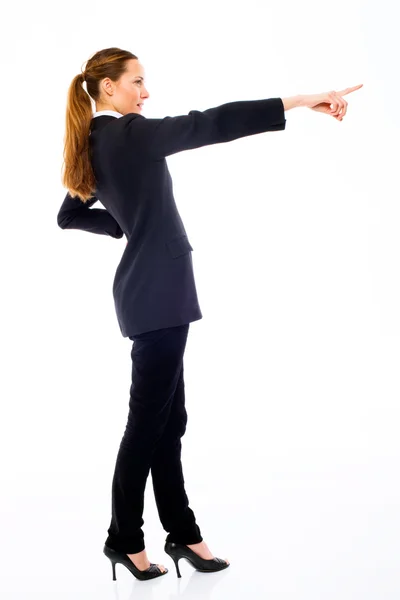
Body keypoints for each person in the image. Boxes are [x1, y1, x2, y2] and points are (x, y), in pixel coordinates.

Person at [57, 47, 363, 581]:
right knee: (147, 426)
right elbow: (213, 123)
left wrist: (129, 227)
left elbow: (69, 214)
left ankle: (184, 533)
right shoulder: (131, 134)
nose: (146, 94)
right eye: (138, 82)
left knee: (168, 423)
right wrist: (300, 99)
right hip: (158, 296)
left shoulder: (94, 142)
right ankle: (124, 539)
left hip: (151, 293)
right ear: (108, 88)